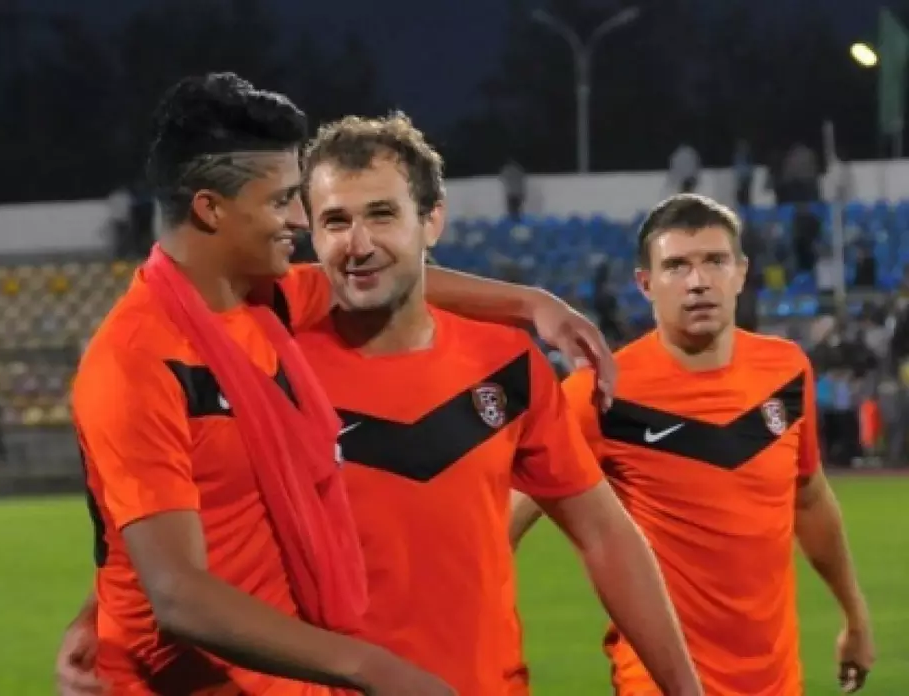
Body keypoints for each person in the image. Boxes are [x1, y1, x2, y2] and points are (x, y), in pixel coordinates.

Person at [57, 110, 701, 696]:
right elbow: (176, 507)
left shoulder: (506, 367)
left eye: (383, 215)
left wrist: (685, 691)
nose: (358, 243)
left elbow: (605, 536)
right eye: (335, 221)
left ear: (432, 221)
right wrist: (103, 611)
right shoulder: (262, 348)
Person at [70, 72, 456, 695]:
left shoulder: (264, 302)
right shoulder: (136, 360)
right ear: (210, 209)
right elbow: (177, 594)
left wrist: (535, 306)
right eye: (282, 201)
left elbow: (386, 277)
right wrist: (371, 667)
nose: (301, 220)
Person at [512, 194, 876, 696]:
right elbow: (499, 523)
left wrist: (855, 616)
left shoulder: (786, 371)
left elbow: (809, 497)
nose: (698, 281)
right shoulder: (599, 394)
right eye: (676, 266)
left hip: (774, 679)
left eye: (714, 261)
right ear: (646, 284)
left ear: (741, 273)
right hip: (658, 681)